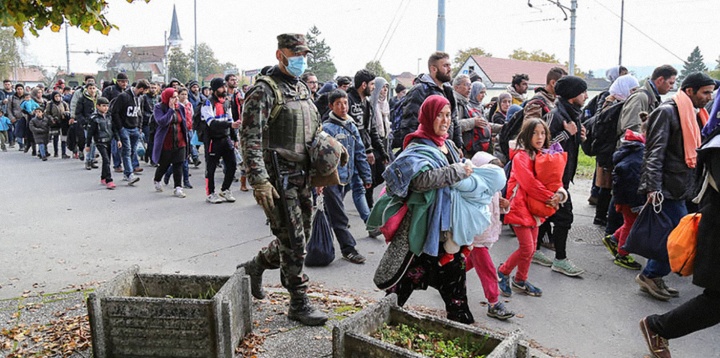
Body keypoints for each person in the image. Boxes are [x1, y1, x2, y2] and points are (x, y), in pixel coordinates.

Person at [237, 33, 327, 326]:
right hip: (279, 178)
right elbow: (249, 137)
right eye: (295, 53)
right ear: (280, 54)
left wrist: (323, 167)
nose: (301, 59)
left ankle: (255, 265)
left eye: (304, 54)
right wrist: (259, 180)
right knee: (295, 240)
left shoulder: (301, 88)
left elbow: (313, 128)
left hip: (303, 175)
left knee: (299, 236)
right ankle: (298, 302)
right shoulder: (264, 90)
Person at [639, 79, 719, 357]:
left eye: (711, 94)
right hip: (670, 187)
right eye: (705, 92)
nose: (708, 98)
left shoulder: (698, 115)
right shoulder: (669, 111)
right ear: (690, 91)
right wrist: (652, 187)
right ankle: (651, 276)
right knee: (670, 235)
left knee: (671, 234)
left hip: (683, 185)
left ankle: (652, 275)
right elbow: (655, 151)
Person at [380, 94, 475, 324]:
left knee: (455, 286)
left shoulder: (448, 145)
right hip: (422, 233)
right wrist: (458, 171)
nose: (445, 121)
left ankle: (461, 328)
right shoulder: (417, 146)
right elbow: (418, 180)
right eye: (439, 115)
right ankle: (380, 321)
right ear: (428, 116)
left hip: (445, 232)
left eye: (448, 115)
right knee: (400, 287)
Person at [498, 118, 566, 298]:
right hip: (519, 207)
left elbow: (554, 180)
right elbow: (529, 183)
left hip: (534, 209)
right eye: (535, 133)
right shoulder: (521, 156)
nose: (539, 137)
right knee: (527, 248)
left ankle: (520, 279)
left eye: (543, 133)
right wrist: (550, 197)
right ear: (527, 135)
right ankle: (503, 272)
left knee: (532, 246)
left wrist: (559, 195)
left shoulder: (543, 155)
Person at [534, 76, 588, 276]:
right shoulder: (556, 114)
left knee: (548, 214)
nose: (586, 96)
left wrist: (579, 136)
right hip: (551, 178)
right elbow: (542, 146)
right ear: (573, 94)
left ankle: (534, 249)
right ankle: (560, 259)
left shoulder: (573, 113)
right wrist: (567, 134)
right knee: (565, 217)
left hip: (561, 175)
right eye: (583, 92)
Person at [321, 89, 372, 264]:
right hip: (331, 179)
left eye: (345, 103)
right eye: (338, 104)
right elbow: (321, 157)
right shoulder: (327, 128)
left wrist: (366, 176)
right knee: (339, 215)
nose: (343, 107)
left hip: (347, 178)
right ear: (331, 106)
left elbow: (359, 152)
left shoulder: (351, 125)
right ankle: (348, 249)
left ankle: (319, 244)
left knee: (328, 214)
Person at [465, 151, 515, 320]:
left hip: (487, 235)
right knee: (487, 270)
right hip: (477, 238)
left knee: (468, 263)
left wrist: (504, 205)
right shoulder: (473, 189)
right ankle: (493, 303)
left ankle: (445, 278)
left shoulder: (494, 188)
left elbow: (496, 209)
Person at [396, 51, 463, 150]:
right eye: (445, 66)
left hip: (445, 146)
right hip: (426, 148)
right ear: (433, 69)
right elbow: (410, 123)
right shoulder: (420, 90)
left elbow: (454, 120)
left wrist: (458, 146)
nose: (450, 69)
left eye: (450, 65)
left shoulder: (449, 91)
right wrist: (415, 148)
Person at [347, 69, 389, 224]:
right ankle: (368, 220)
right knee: (350, 186)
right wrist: (368, 150)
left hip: (361, 151)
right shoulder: (348, 101)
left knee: (359, 185)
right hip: (349, 152)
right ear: (363, 84)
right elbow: (357, 130)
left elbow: (371, 130)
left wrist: (382, 152)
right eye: (372, 84)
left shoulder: (367, 103)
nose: (373, 87)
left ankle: (369, 221)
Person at [606, 127, 646, 270]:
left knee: (630, 222)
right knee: (631, 224)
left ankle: (614, 239)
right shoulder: (638, 157)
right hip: (630, 199)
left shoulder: (629, 152)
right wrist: (636, 204)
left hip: (622, 197)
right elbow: (633, 183)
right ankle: (622, 254)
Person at [201, 78, 241, 204]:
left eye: (224, 86)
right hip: (213, 140)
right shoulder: (208, 103)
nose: (224, 89)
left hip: (226, 138)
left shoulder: (226, 102)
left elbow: (230, 119)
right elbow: (211, 123)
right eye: (221, 87)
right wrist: (230, 125)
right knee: (211, 168)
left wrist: (234, 137)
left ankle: (225, 189)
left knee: (232, 165)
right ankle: (210, 193)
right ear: (214, 89)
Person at [152, 88, 189, 198]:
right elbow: (162, 122)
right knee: (164, 164)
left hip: (180, 141)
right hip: (165, 142)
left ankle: (178, 188)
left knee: (178, 164)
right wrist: (170, 110)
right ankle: (157, 179)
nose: (176, 99)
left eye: (177, 97)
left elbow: (184, 123)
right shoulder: (159, 107)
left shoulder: (181, 107)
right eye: (173, 97)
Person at [113, 79, 149, 185]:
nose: (145, 94)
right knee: (127, 151)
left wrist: (139, 127)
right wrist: (120, 128)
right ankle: (129, 174)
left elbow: (140, 113)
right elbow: (115, 112)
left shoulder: (140, 98)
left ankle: (126, 172)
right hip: (125, 128)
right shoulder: (123, 96)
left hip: (135, 128)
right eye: (145, 91)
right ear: (141, 89)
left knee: (133, 151)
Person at [85, 97, 121, 190]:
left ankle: (103, 177)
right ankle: (109, 180)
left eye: (107, 106)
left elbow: (114, 129)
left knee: (107, 159)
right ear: (98, 106)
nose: (105, 108)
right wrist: (88, 145)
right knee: (106, 160)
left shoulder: (109, 116)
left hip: (109, 140)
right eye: (103, 106)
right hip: (100, 141)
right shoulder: (94, 118)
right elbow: (90, 133)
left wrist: (118, 139)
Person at [163, 87, 194, 189]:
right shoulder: (177, 107)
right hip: (177, 135)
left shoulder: (189, 105)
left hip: (188, 131)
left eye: (186, 94)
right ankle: (183, 180)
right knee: (182, 161)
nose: (184, 96)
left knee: (185, 158)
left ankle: (176, 176)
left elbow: (191, 117)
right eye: (182, 94)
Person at [454, 74, 491, 158]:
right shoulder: (455, 103)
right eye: (466, 85)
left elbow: (484, 122)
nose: (470, 88)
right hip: (465, 150)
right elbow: (454, 125)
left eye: (470, 85)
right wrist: (473, 122)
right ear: (456, 87)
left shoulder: (465, 102)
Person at [73, 82, 97, 163]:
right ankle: (88, 160)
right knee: (90, 142)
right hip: (87, 123)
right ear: (87, 89)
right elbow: (78, 113)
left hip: (97, 123)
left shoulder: (98, 99)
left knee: (95, 143)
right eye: (90, 88)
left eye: (94, 88)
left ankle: (92, 159)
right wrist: (84, 121)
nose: (92, 90)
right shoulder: (82, 99)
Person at [45, 91, 69, 158]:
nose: (57, 98)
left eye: (59, 96)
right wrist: (52, 118)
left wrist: (65, 114)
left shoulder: (64, 103)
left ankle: (64, 153)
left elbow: (68, 111)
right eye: (56, 96)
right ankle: (56, 152)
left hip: (63, 123)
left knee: (63, 139)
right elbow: (47, 113)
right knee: (55, 138)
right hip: (54, 123)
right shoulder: (50, 104)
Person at [6, 84, 24, 151]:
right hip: (16, 118)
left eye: (21, 89)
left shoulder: (26, 97)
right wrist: (11, 117)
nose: (19, 91)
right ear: (16, 90)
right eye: (18, 89)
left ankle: (26, 144)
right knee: (18, 131)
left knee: (24, 132)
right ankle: (21, 145)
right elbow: (8, 109)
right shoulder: (12, 98)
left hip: (25, 117)